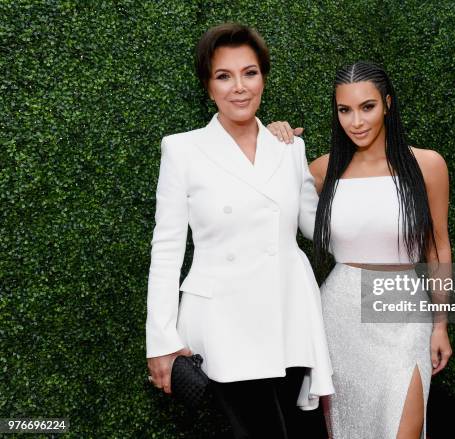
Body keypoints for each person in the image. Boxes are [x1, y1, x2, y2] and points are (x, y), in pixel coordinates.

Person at [145, 23, 334, 439]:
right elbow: (167, 247)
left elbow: (320, 229)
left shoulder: (288, 149)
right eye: (223, 76)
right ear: (208, 87)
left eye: (249, 73)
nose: (239, 87)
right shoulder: (182, 149)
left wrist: (361, 166)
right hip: (222, 324)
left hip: (290, 317)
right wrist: (161, 339)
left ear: (264, 77)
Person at [267, 61, 452, 439]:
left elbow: (438, 247)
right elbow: (264, 199)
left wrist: (441, 325)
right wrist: (273, 143)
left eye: (367, 107)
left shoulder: (428, 165)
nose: (356, 121)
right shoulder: (322, 170)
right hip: (340, 315)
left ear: (387, 103)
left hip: (404, 312)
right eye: (344, 110)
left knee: (405, 427)